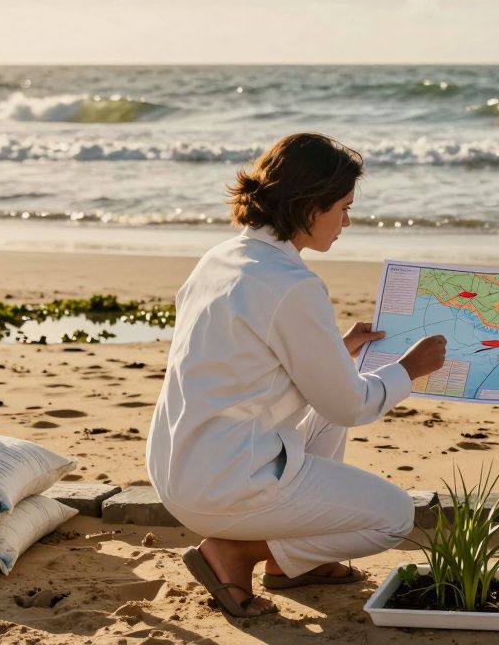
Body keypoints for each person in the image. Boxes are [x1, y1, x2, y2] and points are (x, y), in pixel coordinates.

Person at [146, 133, 447, 618]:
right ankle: (235, 553)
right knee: (395, 517)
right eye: (342, 208)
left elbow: (242, 358)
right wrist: (409, 370)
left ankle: (294, 565)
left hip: (178, 466)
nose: (347, 221)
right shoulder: (291, 283)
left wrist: (336, 350)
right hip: (224, 483)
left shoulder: (221, 257)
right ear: (310, 206)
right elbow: (352, 404)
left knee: (333, 407)